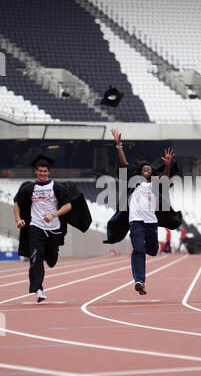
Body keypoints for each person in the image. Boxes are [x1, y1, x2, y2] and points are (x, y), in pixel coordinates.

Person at [104, 128, 182, 295]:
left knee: (152, 250)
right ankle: (139, 281)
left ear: (152, 172)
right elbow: (124, 163)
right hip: (136, 222)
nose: (146, 169)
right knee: (138, 250)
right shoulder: (133, 182)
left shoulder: (156, 183)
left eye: (149, 169)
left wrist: (167, 164)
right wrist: (119, 145)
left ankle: (143, 257)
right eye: (144, 169)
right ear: (139, 172)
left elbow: (166, 178)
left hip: (151, 223)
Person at [13, 154, 92, 303]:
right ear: (35, 172)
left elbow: (68, 206)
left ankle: (46, 262)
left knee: (52, 260)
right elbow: (16, 203)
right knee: (36, 257)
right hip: (35, 227)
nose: (42, 174)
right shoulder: (29, 188)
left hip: (54, 229)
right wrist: (18, 219)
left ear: (48, 172)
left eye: (45, 171)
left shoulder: (56, 187)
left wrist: (54, 215)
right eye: (40, 171)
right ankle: (38, 289)